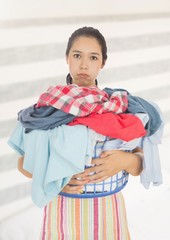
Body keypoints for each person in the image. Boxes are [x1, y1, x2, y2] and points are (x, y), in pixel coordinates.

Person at [8, 26, 163, 240]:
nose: (84, 65)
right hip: (61, 213)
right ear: (67, 58)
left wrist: (124, 160)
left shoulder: (116, 107)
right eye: (77, 55)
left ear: (102, 63)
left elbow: (140, 165)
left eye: (93, 57)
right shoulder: (49, 108)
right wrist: (57, 174)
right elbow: (22, 164)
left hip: (107, 214)